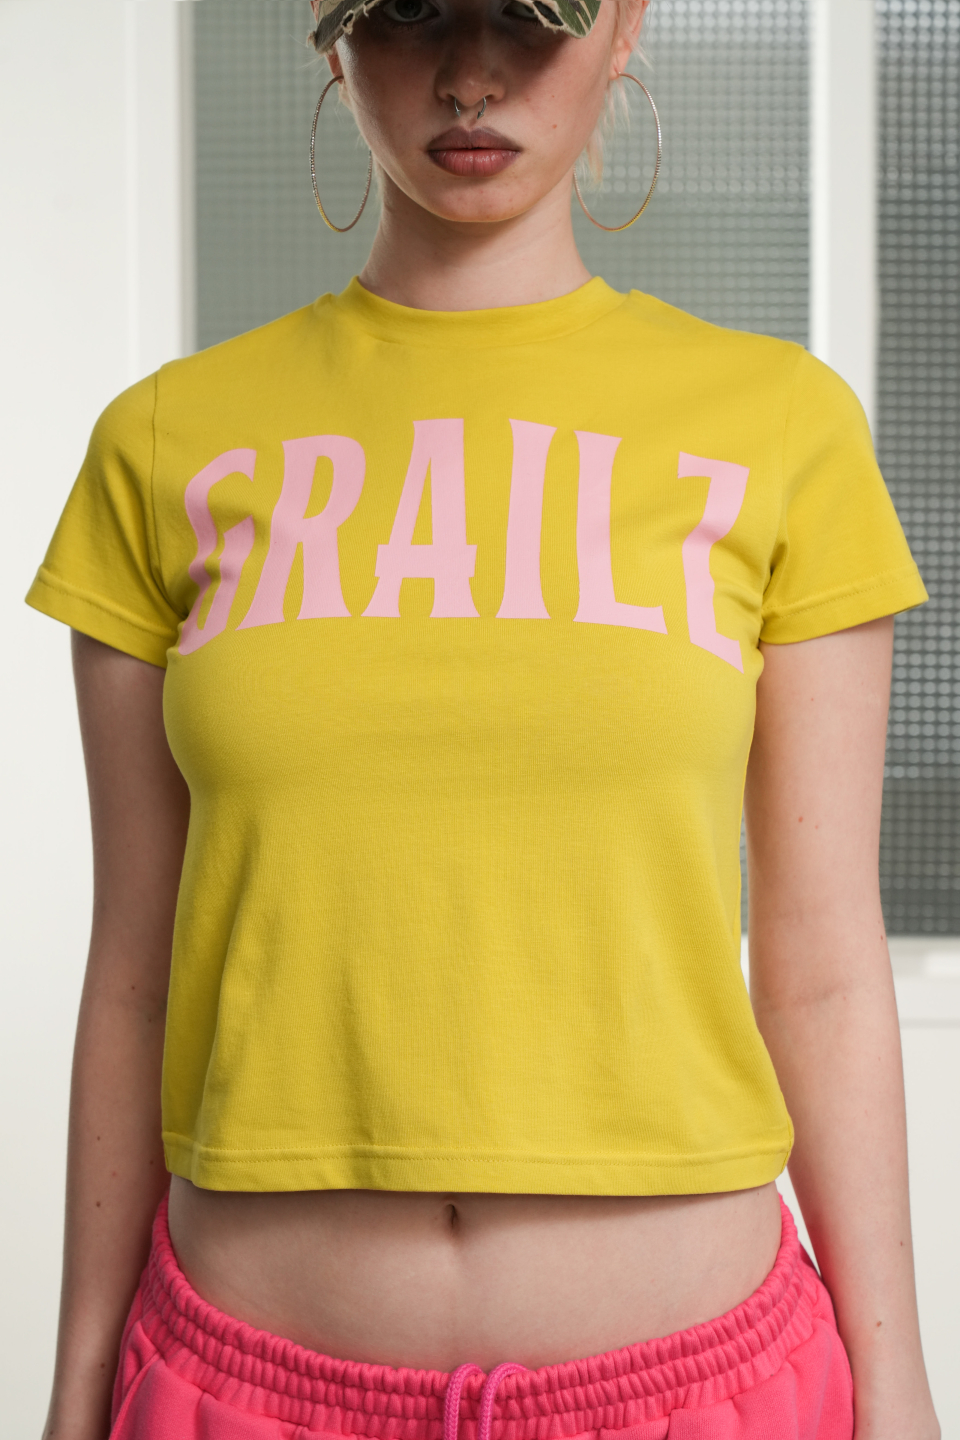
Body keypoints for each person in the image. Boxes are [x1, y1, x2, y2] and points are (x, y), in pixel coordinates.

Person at [28, 0, 940, 1436]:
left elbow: (823, 968)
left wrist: (900, 1389)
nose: (469, 78)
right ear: (332, 36)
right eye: (410, 20)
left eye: (529, 21)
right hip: (243, 1386)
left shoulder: (782, 427)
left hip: (701, 1389)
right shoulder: (163, 444)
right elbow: (135, 969)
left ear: (624, 26)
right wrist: (78, 1387)